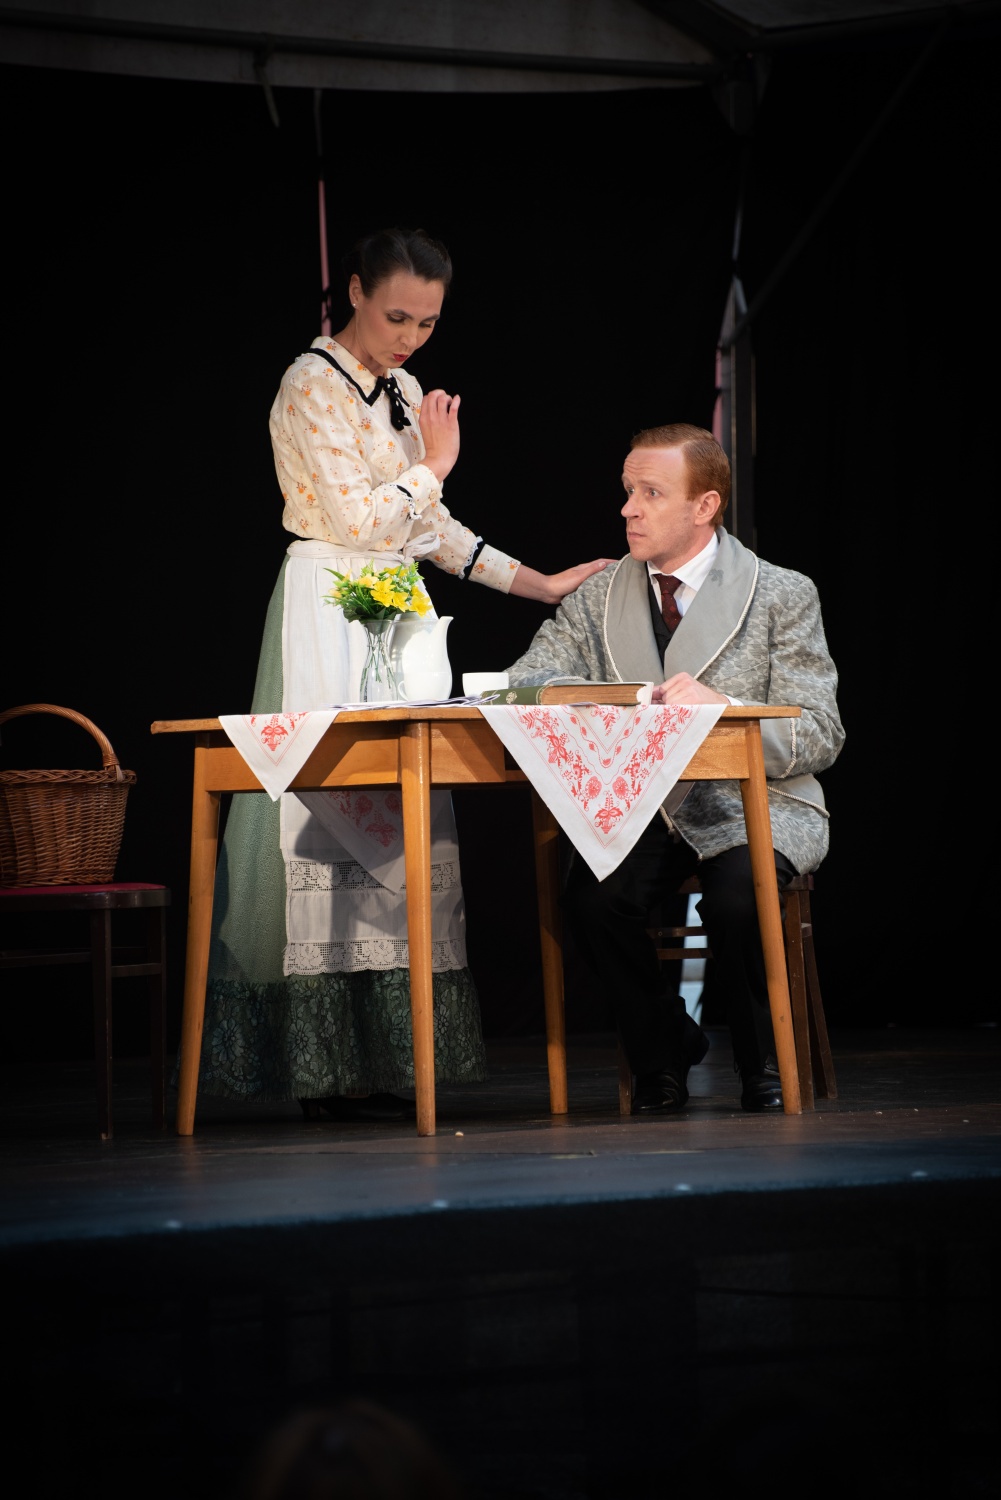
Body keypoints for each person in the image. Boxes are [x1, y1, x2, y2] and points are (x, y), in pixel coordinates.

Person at [195, 226, 613, 1122]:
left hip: (396, 603)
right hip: (328, 601)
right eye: (396, 317)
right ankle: (321, 1066)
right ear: (354, 291)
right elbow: (356, 519)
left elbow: (427, 530)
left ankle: (386, 1055)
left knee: (402, 824)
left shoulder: (407, 392)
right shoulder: (309, 383)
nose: (410, 338)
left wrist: (536, 583)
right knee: (320, 814)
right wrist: (433, 467)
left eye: (426, 323)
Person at [502, 423, 844, 1112]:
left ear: (704, 506)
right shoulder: (599, 596)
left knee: (738, 897)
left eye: (650, 493)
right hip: (644, 802)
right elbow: (526, 682)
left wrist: (728, 709)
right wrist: (607, 703)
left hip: (758, 801)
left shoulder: (781, 593)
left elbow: (822, 732)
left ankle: (763, 1063)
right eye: (628, 491)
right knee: (591, 902)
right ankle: (664, 1050)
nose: (628, 509)